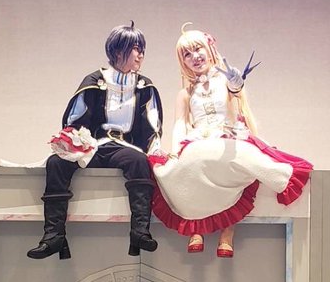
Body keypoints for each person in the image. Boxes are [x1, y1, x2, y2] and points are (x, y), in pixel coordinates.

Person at [147, 25, 311, 258]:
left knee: (237, 159)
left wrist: (235, 83)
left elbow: (236, 92)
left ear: (210, 49)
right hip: (198, 140)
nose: (195, 57)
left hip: (229, 135)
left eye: (198, 49)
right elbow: (180, 123)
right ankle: (196, 227)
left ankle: (228, 230)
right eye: (187, 54)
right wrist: (175, 149)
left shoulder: (225, 82)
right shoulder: (185, 94)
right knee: (186, 166)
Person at [27, 22, 163, 260]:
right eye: (135, 48)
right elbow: (75, 120)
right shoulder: (94, 80)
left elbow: (152, 126)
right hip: (94, 146)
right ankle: (54, 235)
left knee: (139, 161)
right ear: (118, 51)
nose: (141, 54)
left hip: (125, 148)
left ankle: (140, 232)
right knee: (57, 163)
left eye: (142, 49)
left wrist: (156, 151)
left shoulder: (144, 85)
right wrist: (74, 142)